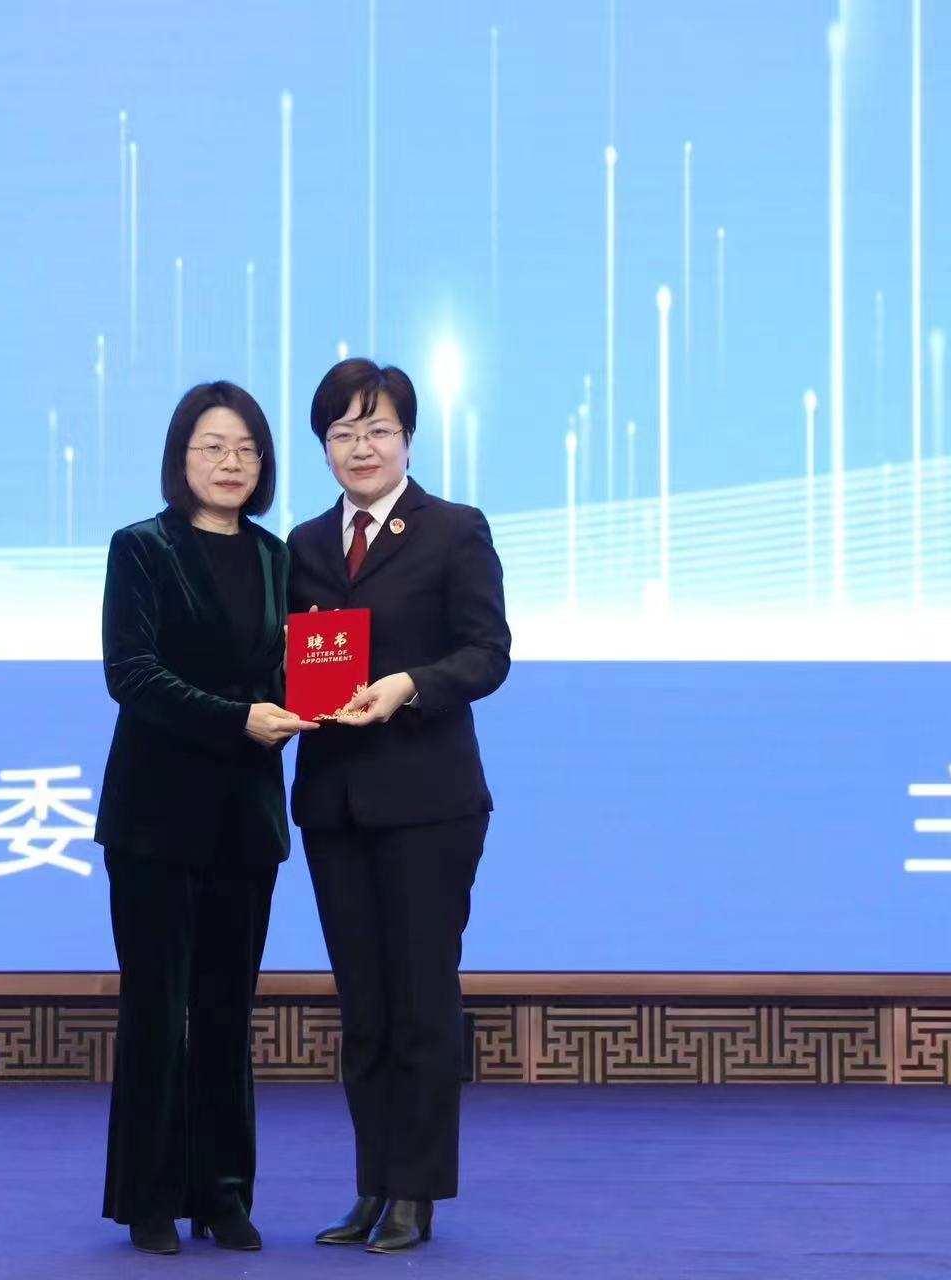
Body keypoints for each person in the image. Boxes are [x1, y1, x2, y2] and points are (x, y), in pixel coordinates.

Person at [285, 358, 512, 1253]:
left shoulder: (454, 529)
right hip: (335, 805)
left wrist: (409, 685)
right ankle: (370, 1184)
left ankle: (415, 1192)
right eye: (343, 433)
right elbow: (288, 655)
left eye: (377, 429)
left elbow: (487, 653)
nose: (361, 447)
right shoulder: (304, 544)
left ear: (408, 440)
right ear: (323, 447)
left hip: (428, 804)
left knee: (420, 1004)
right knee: (364, 1010)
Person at [94, 380, 316, 1255]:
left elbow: (294, 672)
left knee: (227, 1012)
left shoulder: (277, 559)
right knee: (158, 1010)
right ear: (179, 458)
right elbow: (131, 674)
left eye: (246, 449)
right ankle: (148, 1197)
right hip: (154, 817)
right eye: (212, 447)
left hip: (244, 818)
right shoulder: (140, 549)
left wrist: (317, 700)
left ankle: (221, 1193)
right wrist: (237, 719)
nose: (231, 462)